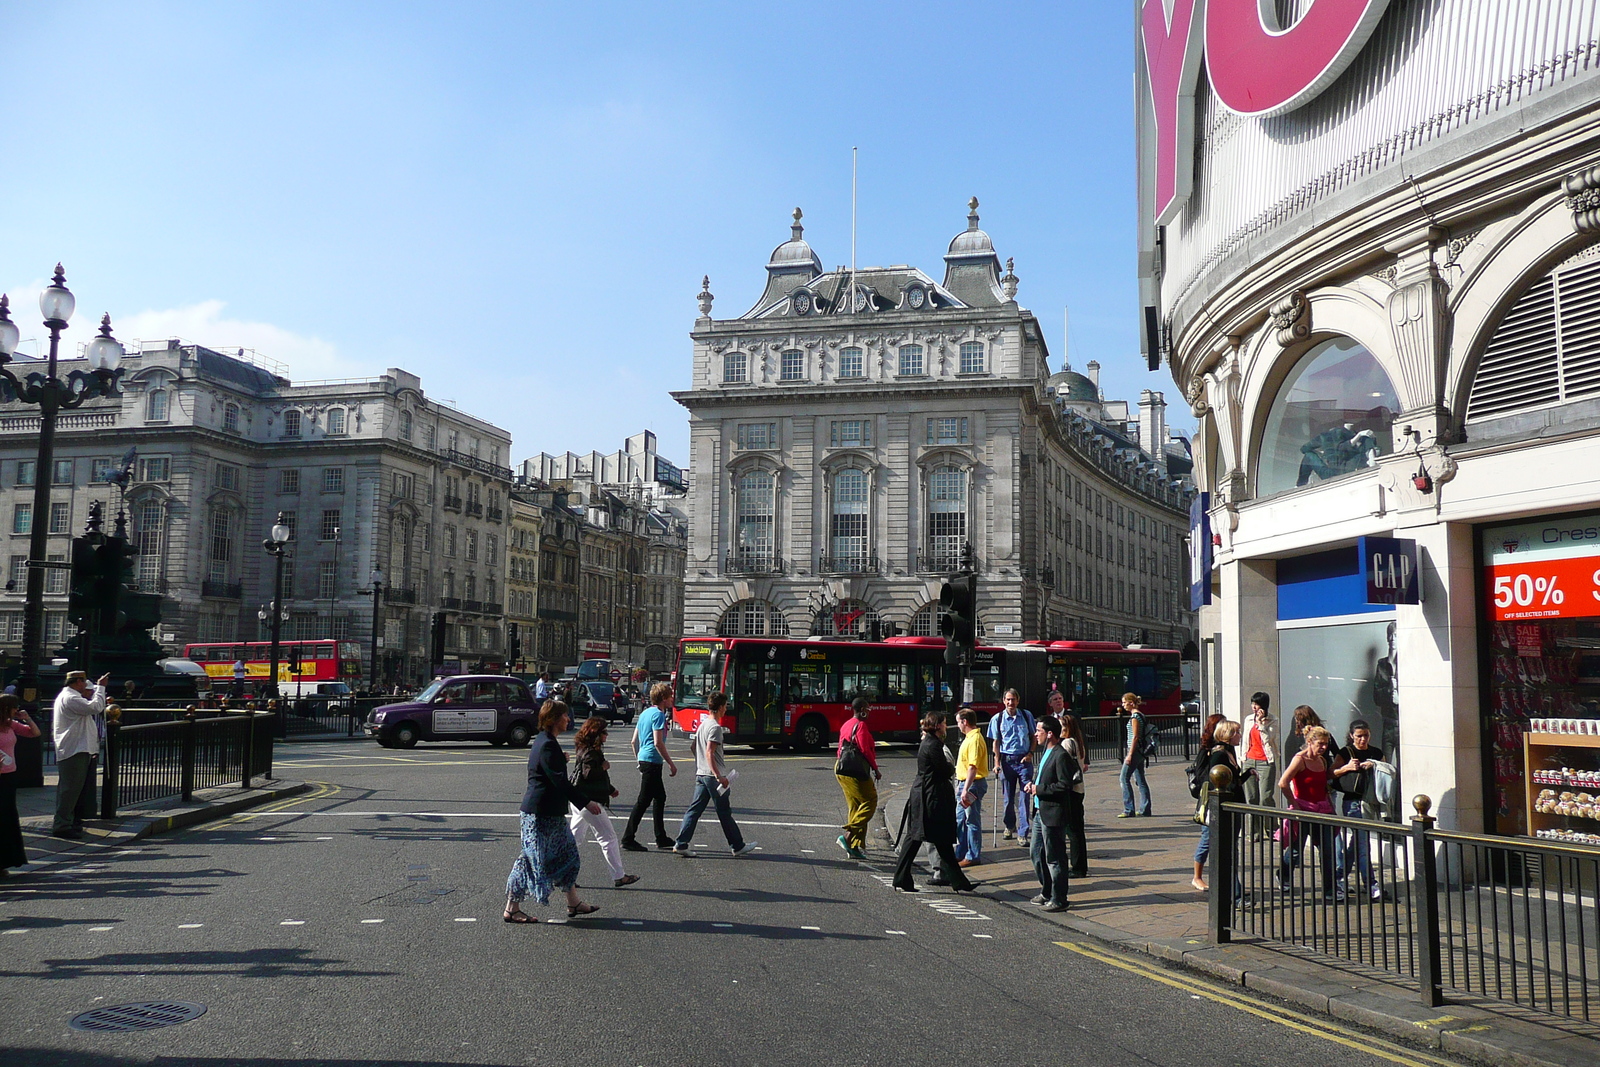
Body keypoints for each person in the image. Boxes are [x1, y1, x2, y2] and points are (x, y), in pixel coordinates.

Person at [504, 700, 603, 923]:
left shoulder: (547, 742)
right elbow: (558, 780)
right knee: (530, 861)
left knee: (568, 854)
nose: (568, 719)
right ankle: (512, 908)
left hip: (551, 814)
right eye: (565, 716)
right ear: (553, 719)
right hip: (539, 814)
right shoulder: (547, 744)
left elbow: (549, 769)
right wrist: (585, 802)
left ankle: (573, 902)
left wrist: (561, 759)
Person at [892, 713, 976, 894]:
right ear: (937, 725)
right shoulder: (933, 745)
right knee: (923, 838)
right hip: (929, 798)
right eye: (944, 723)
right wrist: (950, 766)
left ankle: (957, 880)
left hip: (926, 795)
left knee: (933, 840)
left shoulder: (929, 742)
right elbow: (944, 770)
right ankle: (902, 877)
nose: (947, 726)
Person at [673, 692, 756, 856]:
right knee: (724, 812)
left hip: (701, 774)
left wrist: (701, 765)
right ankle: (737, 845)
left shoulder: (703, 725)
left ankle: (681, 844)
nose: (726, 709)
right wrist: (719, 776)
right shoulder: (715, 728)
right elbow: (710, 753)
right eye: (725, 706)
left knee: (694, 810)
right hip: (712, 777)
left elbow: (693, 748)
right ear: (719, 708)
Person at [568, 715, 639, 888]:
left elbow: (587, 777)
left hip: (578, 799)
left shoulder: (584, 747)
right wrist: (604, 767)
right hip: (589, 802)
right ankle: (619, 876)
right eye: (604, 732)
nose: (607, 735)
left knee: (574, 839)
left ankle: (564, 875)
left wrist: (610, 789)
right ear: (596, 734)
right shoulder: (592, 752)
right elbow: (589, 774)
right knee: (608, 838)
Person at [1024, 715, 1079, 912]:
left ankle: (1059, 898)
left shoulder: (1060, 754)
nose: (1035, 734)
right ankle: (1046, 891)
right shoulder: (1046, 752)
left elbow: (1065, 785)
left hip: (1053, 813)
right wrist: (1034, 786)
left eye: (1038, 731)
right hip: (1040, 812)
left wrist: (1038, 789)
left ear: (1049, 734)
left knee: (1055, 857)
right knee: (1035, 853)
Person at [1278, 725, 1338, 898]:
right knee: (1296, 850)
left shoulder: (1322, 760)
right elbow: (1283, 783)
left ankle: (1329, 889)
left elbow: (1323, 787)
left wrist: (1330, 808)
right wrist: (1294, 805)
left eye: (1326, 744)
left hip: (1323, 810)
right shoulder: (1300, 759)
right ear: (1310, 742)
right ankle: (1283, 875)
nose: (1324, 747)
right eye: (1321, 744)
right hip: (1304, 810)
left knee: (1327, 850)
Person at [1192, 720, 1250, 892]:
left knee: (1231, 847)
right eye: (1237, 732)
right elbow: (1217, 781)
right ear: (1228, 735)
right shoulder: (1219, 754)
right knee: (1223, 846)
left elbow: (1234, 779)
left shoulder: (1229, 751)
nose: (1240, 735)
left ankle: (1233, 888)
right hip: (1223, 806)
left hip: (1234, 805)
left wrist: (1247, 774)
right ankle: (1233, 890)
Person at [1332, 719, 1386, 902]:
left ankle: (1338, 879)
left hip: (1371, 801)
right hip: (1353, 802)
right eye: (1359, 736)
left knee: (1357, 845)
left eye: (1366, 735)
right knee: (1363, 845)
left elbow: (1389, 772)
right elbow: (1330, 773)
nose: (1363, 740)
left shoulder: (1376, 752)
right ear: (1351, 736)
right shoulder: (1346, 752)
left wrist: (1375, 765)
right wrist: (1347, 768)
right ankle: (1371, 883)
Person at [52, 671, 109, 839]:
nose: (86, 686)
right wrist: (101, 688)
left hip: (79, 748)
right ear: (78, 682)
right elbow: (96, 707)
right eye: (84, 682)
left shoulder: (72, 697)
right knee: (70, 789)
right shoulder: (71, 698)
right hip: (74, 749)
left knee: (73, 789)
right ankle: (62, 824)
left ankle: (70, 821)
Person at [621, 682, 678, 852]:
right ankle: (628, 838)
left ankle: (661, 836)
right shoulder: (659, 715)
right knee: (643, 800)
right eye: (669, 696)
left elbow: (634, 741)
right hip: (653, 761)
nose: (671, 698)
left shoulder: (645, 713)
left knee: (659, 797)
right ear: (663, 698)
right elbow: (658, 742)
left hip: (646, 761)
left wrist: (638, 760)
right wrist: (670, 763)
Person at [986, 688, 1036, 842]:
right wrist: (996, 763)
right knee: (1008, 799)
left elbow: (1034, 737)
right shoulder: (997, 719)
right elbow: (996, 742)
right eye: (1008, 699)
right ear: (1003, 701)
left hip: (1023, 761)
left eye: (1013, 699)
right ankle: (1009, 825)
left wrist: (1030, 754)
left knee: (1024, 798)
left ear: (1018, 701)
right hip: (1007, 761)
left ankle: (1023, 833)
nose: (1010, 702)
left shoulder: (1027, 716)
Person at [834, 696, 881, 860]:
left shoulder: (847, 724)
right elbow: (865, 750)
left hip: (841, 767)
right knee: (870, 800)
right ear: (861, 710)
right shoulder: (860, 726)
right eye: (867, 709)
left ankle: (855, 846)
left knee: (856, 806)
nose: (869, 711)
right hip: (855, 770)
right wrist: (875, 769)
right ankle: (848, 835)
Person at [1, 694, 41, 875]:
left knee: (8, 818)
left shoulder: (10, 724)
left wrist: (27, 718)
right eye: (14, 707)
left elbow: (34, 733)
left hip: (9, 776)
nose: (16, 710)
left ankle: (6, 861)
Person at [1056, 706, 1089, 878]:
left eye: (1062, 728)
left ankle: (1078, 867)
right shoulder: (1078, 741)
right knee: (1077, 830)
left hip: (1072, 791)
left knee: (1073, 831)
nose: (1060, 731)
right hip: (1079, 790)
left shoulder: (1068, 743)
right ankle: (1080, 865)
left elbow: (1065, 769)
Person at [953, 707, 988, 868]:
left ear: (965, 722)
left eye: (959, 723)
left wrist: (965, 789)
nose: (958, 726)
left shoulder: (974, 739)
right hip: (965, 783)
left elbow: (973, 767)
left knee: (971, 820)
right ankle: (961, 852)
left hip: (972, 784)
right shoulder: (970, 737)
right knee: (960, 819)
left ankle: (973, 855)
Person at [1241, 693, 1279, 839]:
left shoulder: (1273, 720)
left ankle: (1271, 829)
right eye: (1252, 704)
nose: (1254, 708)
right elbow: (1245, 739)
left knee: (1266, 797)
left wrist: (1261, 724)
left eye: (1256, 704)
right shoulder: (1248, 719)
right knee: (1251, 798)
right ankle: (1254, 832)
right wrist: (1243, 758)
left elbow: (1269, 739)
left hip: (1266, 760)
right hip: (1249, 759)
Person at [1118, 692, 1152, 818]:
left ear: (1131, 703)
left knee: (1123, 778)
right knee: (1140, 780)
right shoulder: (1141, 715)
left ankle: (1129, 809)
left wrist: (1130, 754)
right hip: (1141, 751)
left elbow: (1135, 737)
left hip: (1135, 751)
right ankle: (1145, 808)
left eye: (1124, 702)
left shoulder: (1135, 717)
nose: (1123, 705)